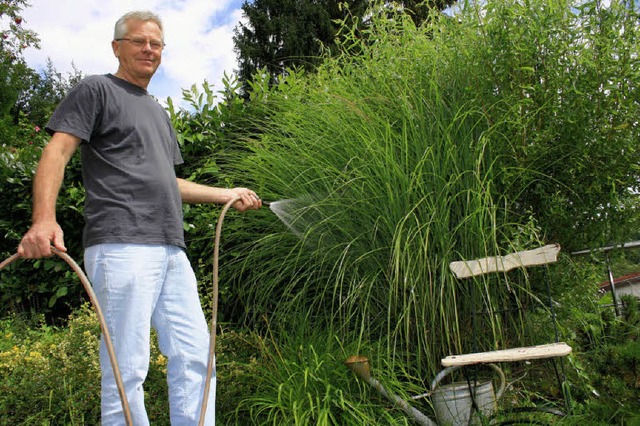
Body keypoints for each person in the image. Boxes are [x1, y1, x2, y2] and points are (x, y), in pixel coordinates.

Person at [17, 10, 261, 425]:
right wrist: (43, 220)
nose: (149, 49)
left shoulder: (158, 112)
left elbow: (168, 181)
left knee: (195, 358)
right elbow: (56, 151)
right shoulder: (97, 90)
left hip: (170, 249)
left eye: (156, 43)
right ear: (117, 47)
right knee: (126, 368)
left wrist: (226, 193)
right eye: (139, 41)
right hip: (121, 245)